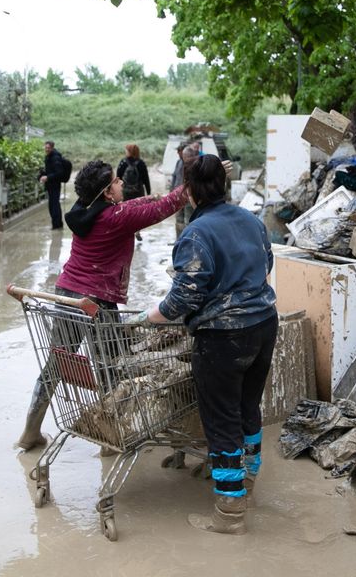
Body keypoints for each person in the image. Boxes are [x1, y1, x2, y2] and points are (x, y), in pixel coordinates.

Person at [133, 154, 278, 535]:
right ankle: (246, 481)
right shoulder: (251, 220)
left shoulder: (196, 234)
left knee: (221, 418)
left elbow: (184, 298)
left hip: (223, 337)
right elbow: (267, 264)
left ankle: (229, 512)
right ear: (225, 185)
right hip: (264, 324)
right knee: (248, 406)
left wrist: (149, 317)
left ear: (190, 191)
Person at [15, 159, 190, 451]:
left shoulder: (80, 210)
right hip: (96, 301)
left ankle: (30, 431)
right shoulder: (115, 218)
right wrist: (193, 183)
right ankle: (110, 438)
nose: (122, 182)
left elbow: (130, 207)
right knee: (108, 366)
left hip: (68, 292)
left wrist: (146, 197)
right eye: (117, 181)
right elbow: (162, 210)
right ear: (108, 193)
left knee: (58, 361)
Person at [170, 141, 200, 236]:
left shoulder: (194, 164)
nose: (179, 154)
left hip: (188, 197)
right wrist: (171, 192)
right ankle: (179, 239)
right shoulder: (178, 162)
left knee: (189, 219)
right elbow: (174, 177)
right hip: (177, 196)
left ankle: (188, 239)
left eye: (180, 151)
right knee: (179, 219)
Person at [38, 141, 67, 230]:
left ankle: (57, 225)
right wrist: (42, 175)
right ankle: (56, 225)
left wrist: (48, 177)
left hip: (54, 184)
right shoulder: (49, 156)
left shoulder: (55, 158)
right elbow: (50, 170)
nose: (46, 149)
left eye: (48, 148)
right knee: (52, 205)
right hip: (50, 184)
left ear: (52, 148)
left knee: (54, 205)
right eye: (45, 147)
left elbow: (59, 173)